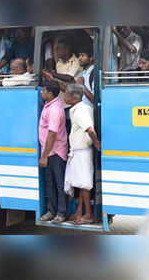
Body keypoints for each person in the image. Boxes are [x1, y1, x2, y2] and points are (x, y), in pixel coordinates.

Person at [63, 83, 101, 225]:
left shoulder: (80, 111)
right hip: (79, 152)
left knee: (84, 184)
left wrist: (96, 143)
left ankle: (88, 215)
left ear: (73, 97)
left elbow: (90, 129)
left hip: (82, 152)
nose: (64, 96)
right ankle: (79, 211)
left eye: (66, 94)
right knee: (80, 183)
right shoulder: (84, 108)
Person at [39, 81, 69, 224]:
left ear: (50, 93)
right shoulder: (49, 106)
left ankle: (61, 213)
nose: (41, 92)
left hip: (56, 152)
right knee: (50, 182)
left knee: (59, 183)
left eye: (43, 90)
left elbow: (52, 134)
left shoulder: (55, 110)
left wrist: (44, 156)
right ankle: (51, 211)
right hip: (49, 151)